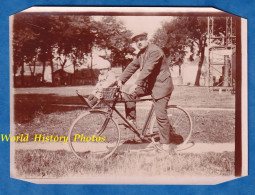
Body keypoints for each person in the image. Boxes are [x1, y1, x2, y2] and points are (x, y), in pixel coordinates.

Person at [117, 32, 183, 150]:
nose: (139, 42)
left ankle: (165, 145)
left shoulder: (155, 51)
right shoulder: (141, 54)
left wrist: (136, 84)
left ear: (147, 39)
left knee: (160, 115)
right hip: (150, 85)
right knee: (127, 93)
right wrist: (121, 80)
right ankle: (132, 122)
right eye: (136, 41)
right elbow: (132, 67)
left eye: (141, 39)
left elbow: (147, 69)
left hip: (162, 86)